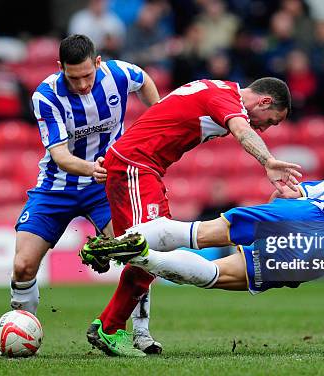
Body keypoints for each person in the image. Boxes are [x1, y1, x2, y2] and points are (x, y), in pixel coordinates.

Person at [82, 179, 324, 352]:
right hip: (317, 246)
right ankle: (142, 256)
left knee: (198, 231)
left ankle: (129, 238)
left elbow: (286, 192)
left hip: (298, 210)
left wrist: (271, 220)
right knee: (217, 276)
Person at [83, 77, 302, 357]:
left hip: (138, 165)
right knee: (148, 248)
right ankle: (109, 327)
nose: (264, 127)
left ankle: (138, 332)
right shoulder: (226, 99)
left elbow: (163, 116)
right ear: (264, 101)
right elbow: (242, 130)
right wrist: (268, 161)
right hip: (135, 166)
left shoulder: (217, 88)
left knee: (147, 254)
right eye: (270, 120)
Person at [0, 34, 159, 357]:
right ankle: (22, 332)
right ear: (60, 68)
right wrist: (90, 168)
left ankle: (141, 333)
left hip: (106, 185)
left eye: (87, 76)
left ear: (98, 63)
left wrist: (157, 117)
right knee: (23, 265)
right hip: (57, 186)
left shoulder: (118, 74)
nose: (81, 85)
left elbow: (145, 80)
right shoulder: (46, 96)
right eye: (73, 77)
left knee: (138, 252)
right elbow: (61, 155)